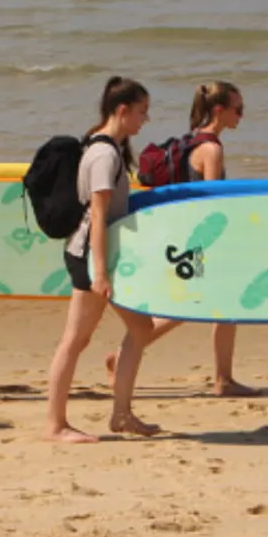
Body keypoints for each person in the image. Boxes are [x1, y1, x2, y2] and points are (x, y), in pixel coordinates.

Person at [105, 82, 255, 396]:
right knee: (189, 306)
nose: (242, 114)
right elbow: (214, 201)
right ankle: (120, 357)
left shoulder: (190, 142)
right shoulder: (211, 149)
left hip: (185, 236)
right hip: (201, 240)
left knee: (221, 304)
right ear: (219, 110)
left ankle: (223, 379)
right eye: (237, 108)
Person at [46, 77, 162, 443]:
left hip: (100, 255)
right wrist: (101, 272)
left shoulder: (108, 147)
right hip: (89, 256)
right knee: (75, 339)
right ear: (122, 110)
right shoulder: (104, 154)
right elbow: (97, 215)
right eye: (142, 112)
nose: (146, 120)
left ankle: (122, 414)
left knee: (141, 329)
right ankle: (56, 425)